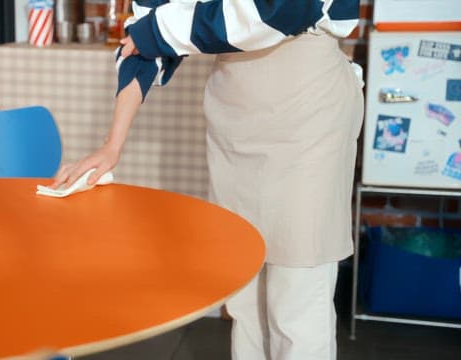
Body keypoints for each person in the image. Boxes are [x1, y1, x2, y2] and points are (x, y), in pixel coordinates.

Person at [51, 1, 364, 359]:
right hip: (236, 117)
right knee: (244, 295)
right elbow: (142, 36)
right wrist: (111, 145)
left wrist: (156, 33)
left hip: (307, 113)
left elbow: (279, 11)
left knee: (297, 295)